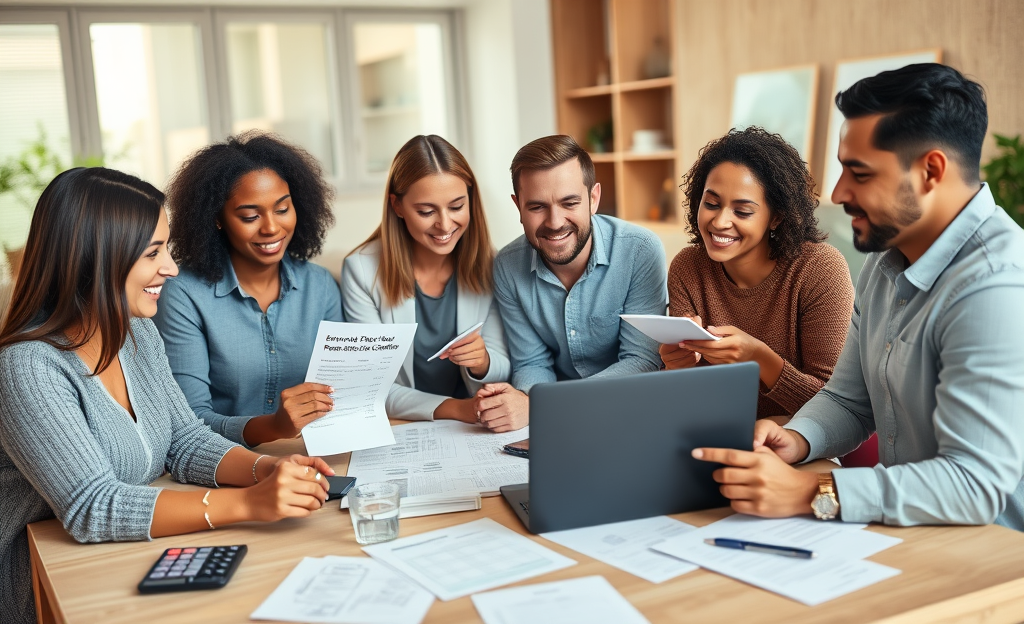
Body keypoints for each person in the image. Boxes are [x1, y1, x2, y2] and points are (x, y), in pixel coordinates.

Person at [693, 63, 1024, 529]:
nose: (837, 191)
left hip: (991, 562)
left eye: (860, 173)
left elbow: (973, 485)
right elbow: (850, 401)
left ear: (931, 171)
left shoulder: (996, 285)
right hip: (909, 535)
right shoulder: (883, 264)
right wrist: (797, 437)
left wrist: (811, 492)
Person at [0, 168, 333, 624]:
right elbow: (92, 507)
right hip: (44, 585)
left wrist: (268, 468)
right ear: (95, 257)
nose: (172, 268)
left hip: (125, 555)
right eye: (153, 252)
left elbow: (185, 440)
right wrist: (250, 503)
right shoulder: (29, 367)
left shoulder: (136, 333)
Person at [153, 132, 343, 447]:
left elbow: (341, 389)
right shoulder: (183, 294)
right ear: (217, 219)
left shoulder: (319, 286)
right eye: (250, 216)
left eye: (282, 209)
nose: (271, 227)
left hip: (314, 453)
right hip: (223, 463)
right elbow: (189, 419)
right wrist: (274, 426)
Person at [661, 127, 854, 422]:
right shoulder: (688, 268)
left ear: (776, 217)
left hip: (798, 445)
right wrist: (676, 367)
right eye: (711, 204)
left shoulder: (819, 269)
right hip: (714, 437)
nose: (720, 221)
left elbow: (838, 408)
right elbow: (687, 402)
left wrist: (758, 358)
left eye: (742, 211)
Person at [477, 135, 667, 432]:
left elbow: (642, 361)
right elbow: (531, 363)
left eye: (569, 202)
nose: (554, 222)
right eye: (537, 207)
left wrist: (545, 404)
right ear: (518, 207)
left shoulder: (640, 250)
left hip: (629, 411)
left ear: (593, 199)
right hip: (558, 423)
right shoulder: (507, 266)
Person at [342, 135, 510, 422]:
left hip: (475, 424)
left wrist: (482, 361)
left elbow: (502, 366)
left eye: (457, 207)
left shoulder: (491, 265)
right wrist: (457, 409)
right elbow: (373, 386)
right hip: (409, 424)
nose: (444, 224)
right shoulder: (361, 271)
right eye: (426, 211)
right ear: (397, 206)